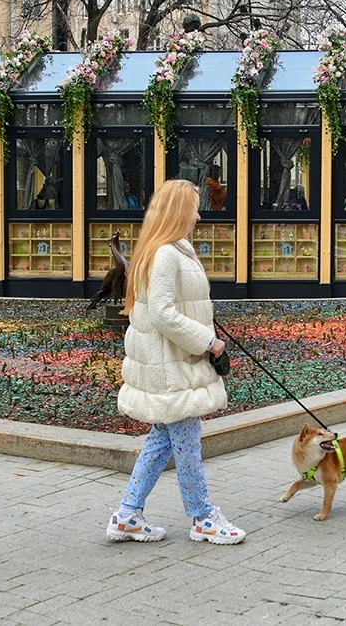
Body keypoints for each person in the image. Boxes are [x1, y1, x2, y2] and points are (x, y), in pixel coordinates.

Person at [106, 179, 247, 545]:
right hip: (173, 367)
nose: (199, 215)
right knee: (187, 444)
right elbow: (165, 314)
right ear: (178, 211)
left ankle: (127, 515)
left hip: (168, 364)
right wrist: (209, 342)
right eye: (194, 207)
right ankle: (202, 518)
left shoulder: (163, 250)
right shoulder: (167, 253)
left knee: (161, 441)